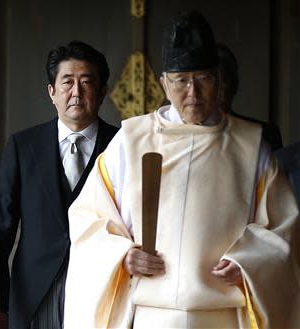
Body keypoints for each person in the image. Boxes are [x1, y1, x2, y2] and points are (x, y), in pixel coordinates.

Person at [63, 12, 300, 328]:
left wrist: (248, 262)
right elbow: (88, 219)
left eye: (202, 79)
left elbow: (282, 228)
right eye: (181, 81)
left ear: (218, 79)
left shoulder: (251, 146)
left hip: (223, 311)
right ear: (163, 82)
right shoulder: (131, 141)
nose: (193, 93)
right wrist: (121, 254)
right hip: (151, 311)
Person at [0, 41, 118, 329]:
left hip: (105, 286)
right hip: (37, 289)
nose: (76, 92)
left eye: (86, 82)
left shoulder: (122, 145)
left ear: (102, 92)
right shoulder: (23, 145)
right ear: (52, 92)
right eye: (67, 83)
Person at [217, 42, 283, 151]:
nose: (214, 90)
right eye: (206, 81)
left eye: (220, 80)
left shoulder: (266, 134)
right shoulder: (184, 138)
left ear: (234, 85)